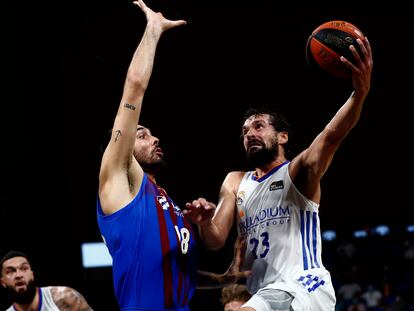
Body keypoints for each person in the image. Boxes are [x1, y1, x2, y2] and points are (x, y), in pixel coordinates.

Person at [185, 36, 373, 310]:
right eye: (245, 132)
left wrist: (359, 94)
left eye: (259, 126)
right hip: (262, 292)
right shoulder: (236, 182)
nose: (250, 134)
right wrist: (203, 223)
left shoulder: (296, 173)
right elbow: (215, 241)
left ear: (282, 136)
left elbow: (331, 136)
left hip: (302, 286)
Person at [96, 1, 250, 310]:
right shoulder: (118, 178)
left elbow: (180, 270)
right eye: (141, 134)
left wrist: (223, 279)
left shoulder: (165, 201)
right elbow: (134, 88)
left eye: (151, 133)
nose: (153, 138)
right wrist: (152, 31)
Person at [0, 250, 93, 311]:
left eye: (24, 268)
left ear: (32, 274)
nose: (18, 275)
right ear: (3, 282)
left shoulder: (64, 297)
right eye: (10, 271)